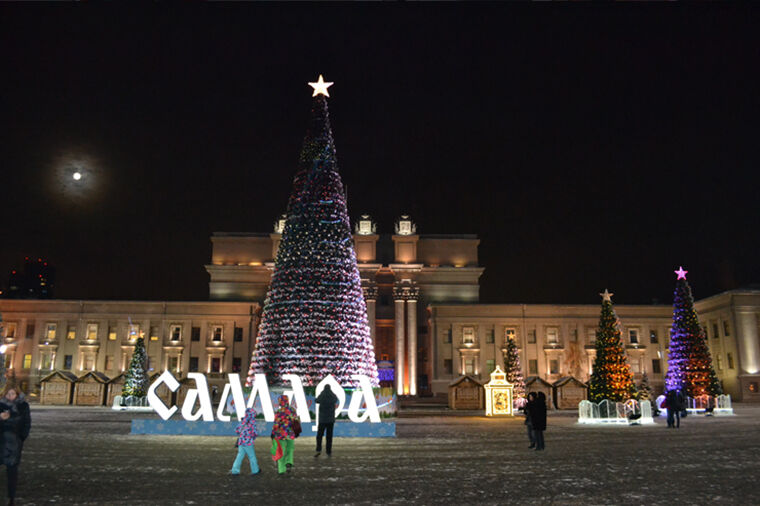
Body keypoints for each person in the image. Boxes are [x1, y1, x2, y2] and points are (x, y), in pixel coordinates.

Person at [0, 386, 31, 506]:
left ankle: (11, 497)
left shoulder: (23, 406)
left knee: (12, 471)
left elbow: (26, 423)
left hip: (14, 444)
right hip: (1, 441)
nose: (10, 396)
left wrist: (20, 438)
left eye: (12, 394)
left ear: (17, 395)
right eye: (8, 394)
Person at [229, 407, 260, 475]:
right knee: (252, 456)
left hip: (241, 442)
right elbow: (255, 433)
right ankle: (255, 470)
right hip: (248, 442)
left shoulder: (243, 421)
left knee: (239, 456)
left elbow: (237, 430)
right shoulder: (252, 422)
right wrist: (253, 437)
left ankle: (235, 470)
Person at [270, 395, 297, 475]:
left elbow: (276, 423)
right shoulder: (292, 410)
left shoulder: (279, 411)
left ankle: (282, 469)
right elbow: (296, 421)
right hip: (290, 433)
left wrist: (273, 433)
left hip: (281, 434)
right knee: (290, 449)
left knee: (281, 450)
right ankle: (289, 462)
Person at [314, 384, 338, 458]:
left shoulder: (322, 395)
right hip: (330, 420)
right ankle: (328, 451)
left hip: (322, 419)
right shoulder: (333, 396)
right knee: (329, 436)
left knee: (319, 435)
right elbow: (336, 400)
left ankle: (318, 449)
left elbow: (316, 400)